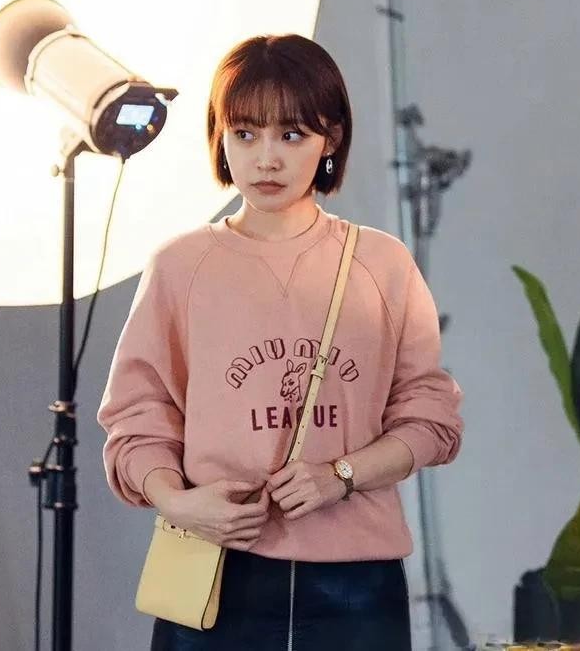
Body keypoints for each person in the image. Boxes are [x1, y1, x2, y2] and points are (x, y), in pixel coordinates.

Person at [96, 33, 464, 650]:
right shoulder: (180, 266)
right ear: (220, 137)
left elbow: (431, 418)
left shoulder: (381, 264)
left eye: (291, 135)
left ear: (331, 138)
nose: (266, 159)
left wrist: (341, 475)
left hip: (356, 585)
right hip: (214, 572)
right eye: (245, 134)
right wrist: (178, 502)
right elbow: (137, 419)